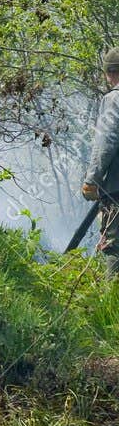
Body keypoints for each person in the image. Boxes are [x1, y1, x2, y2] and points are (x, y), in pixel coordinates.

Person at [80, 46, 119, 272]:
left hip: (116, 188)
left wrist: (92, 180)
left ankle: (111, 295)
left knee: (114, 248)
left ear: (110, 72)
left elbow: (106, 142)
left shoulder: (114, 99)